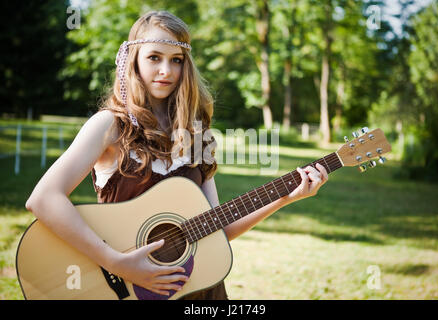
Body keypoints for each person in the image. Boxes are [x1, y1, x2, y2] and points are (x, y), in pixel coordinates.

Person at [25, 10, 328, 300]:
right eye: (154, 57)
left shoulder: (198, 132)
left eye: (176, 60)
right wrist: (116, 262)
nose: (166, 71)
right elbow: (43, 198)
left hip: (196, 288)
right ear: (133, 61)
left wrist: (285, 197)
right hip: (127, 288)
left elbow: (216, 230)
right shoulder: (110, 125)